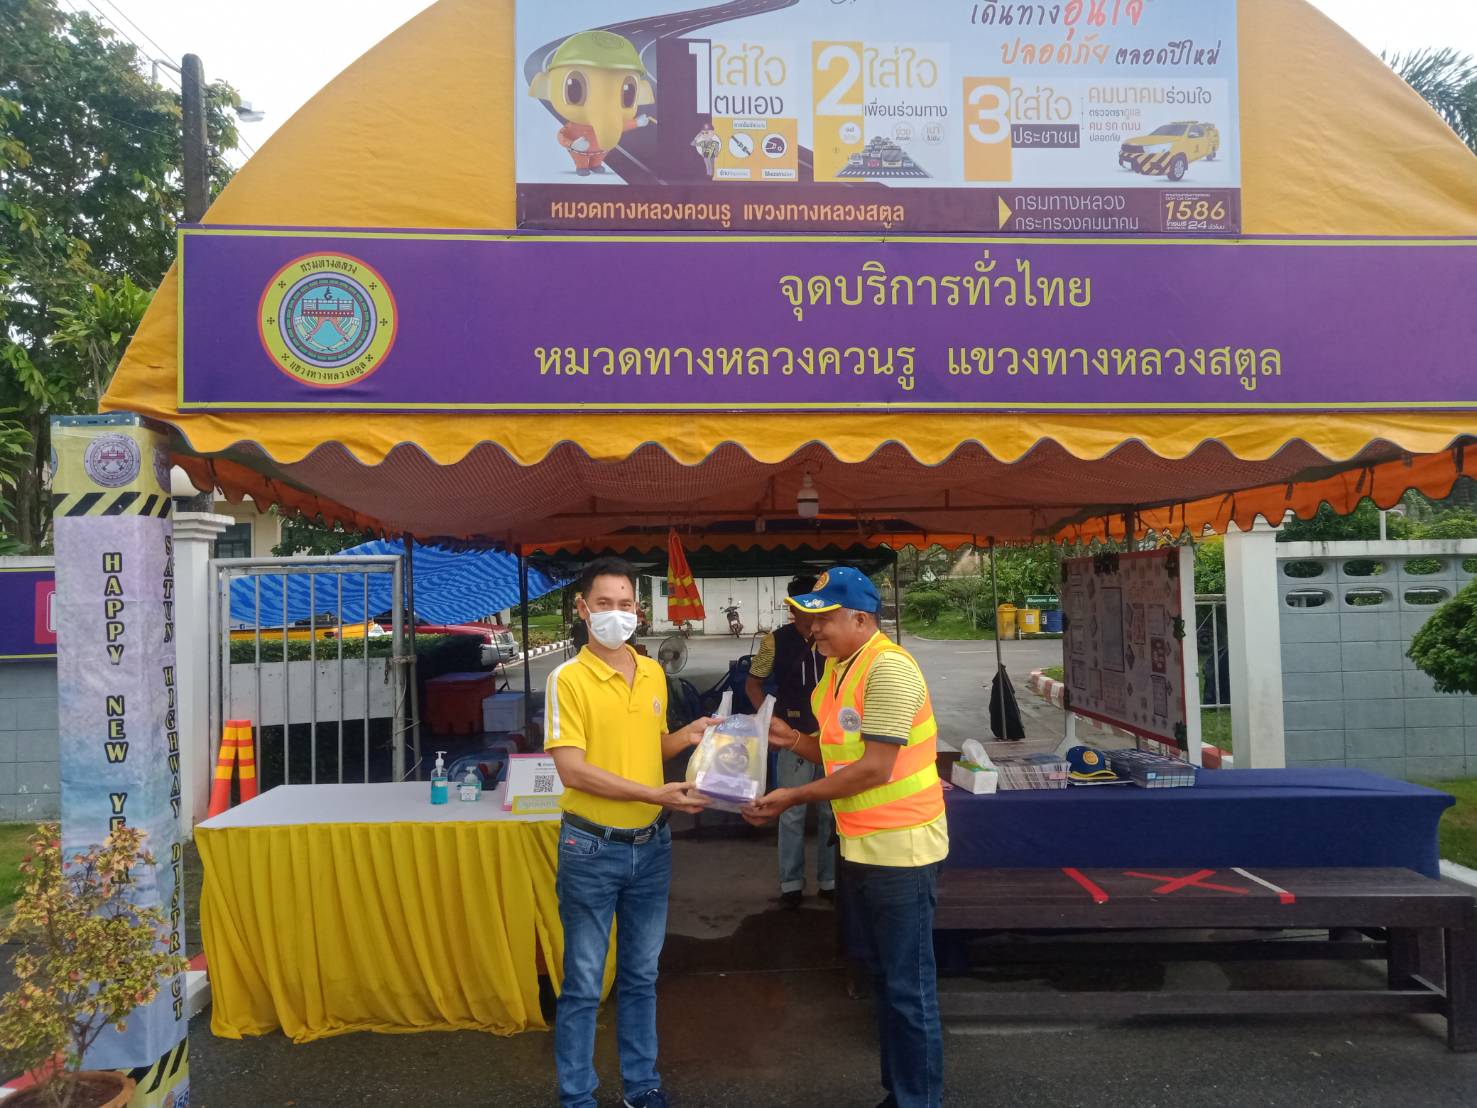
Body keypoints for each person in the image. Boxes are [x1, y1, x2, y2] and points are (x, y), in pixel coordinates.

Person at [744, 566, 948, 1108]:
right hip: (862, 844)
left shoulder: (889, 669)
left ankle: (919, 1100)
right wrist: (791, 739)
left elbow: (874, 768)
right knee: (884, 979)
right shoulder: (841, 667)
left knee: (908, 988)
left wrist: (791, 796)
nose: (813, 630)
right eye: (811, 620)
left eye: (825, 619)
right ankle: (899, 1094)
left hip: (903, 848)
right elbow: (837, 751)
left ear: (860, 618)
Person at [545, 557, 716, 1108]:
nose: (615, 614)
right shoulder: (567, 680)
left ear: (638, 611)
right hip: (591, 847)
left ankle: (642, 1086)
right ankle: (577, 1095)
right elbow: (573, 770)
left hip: (652, 845)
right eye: (604, 604)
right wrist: (654, 794)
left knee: (642, 975)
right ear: (582, 608)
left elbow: (650, 746)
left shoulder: (651, 672)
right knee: (584, 982)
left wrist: (689, 735)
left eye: (624, 604)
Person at [744, 575, 835, 910]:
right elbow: (753, 684)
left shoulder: (833, 639)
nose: (814, 612)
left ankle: (830, 880)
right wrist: (767, 720)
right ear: (794, 607)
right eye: (806, 605)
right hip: (792, 737)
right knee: (791, 812)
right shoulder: (774, 641)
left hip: (831, 737)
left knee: (830, 811)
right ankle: (791, 883)